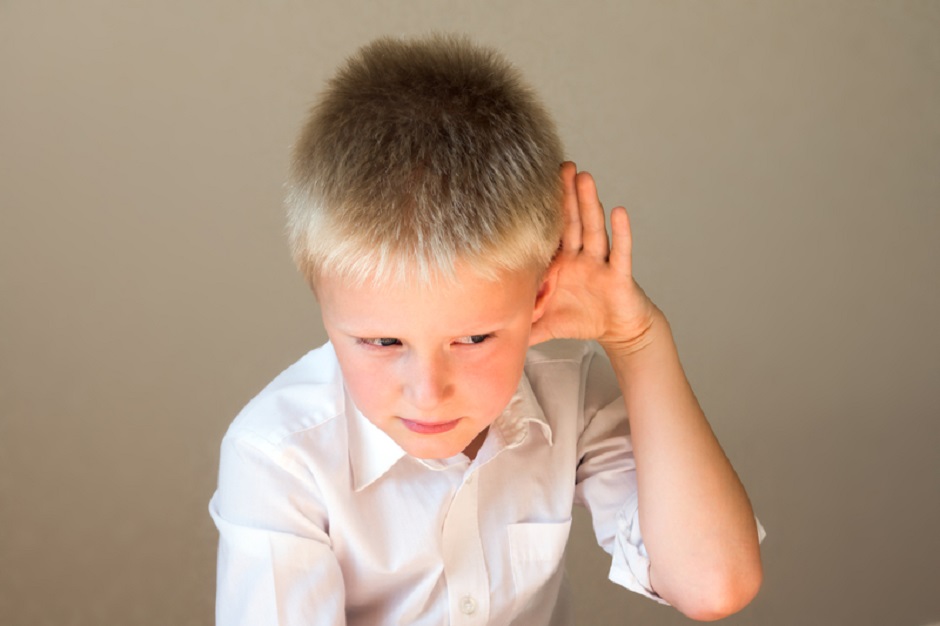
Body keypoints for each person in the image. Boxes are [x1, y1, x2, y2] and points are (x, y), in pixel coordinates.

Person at [209, 34, 764, 625]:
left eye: (473, 339)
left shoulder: (566, 395)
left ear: (538, 296)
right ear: (324, 305)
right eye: (383, 342)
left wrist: (637, 341)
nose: (428, 390)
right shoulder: (279, 456)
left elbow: (713, 584)